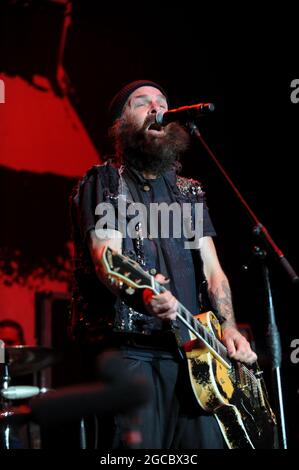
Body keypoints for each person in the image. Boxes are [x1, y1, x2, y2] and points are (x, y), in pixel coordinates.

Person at [69, 80, 257, 449]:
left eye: (162, 102)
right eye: (143, 103)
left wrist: (230, 327)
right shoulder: (106, 182)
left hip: (196, 353)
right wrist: (143, 293)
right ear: (120, 123)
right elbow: (106, 259)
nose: (157, 109)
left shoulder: (188, 191)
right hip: (133, 353)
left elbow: (213, 270)